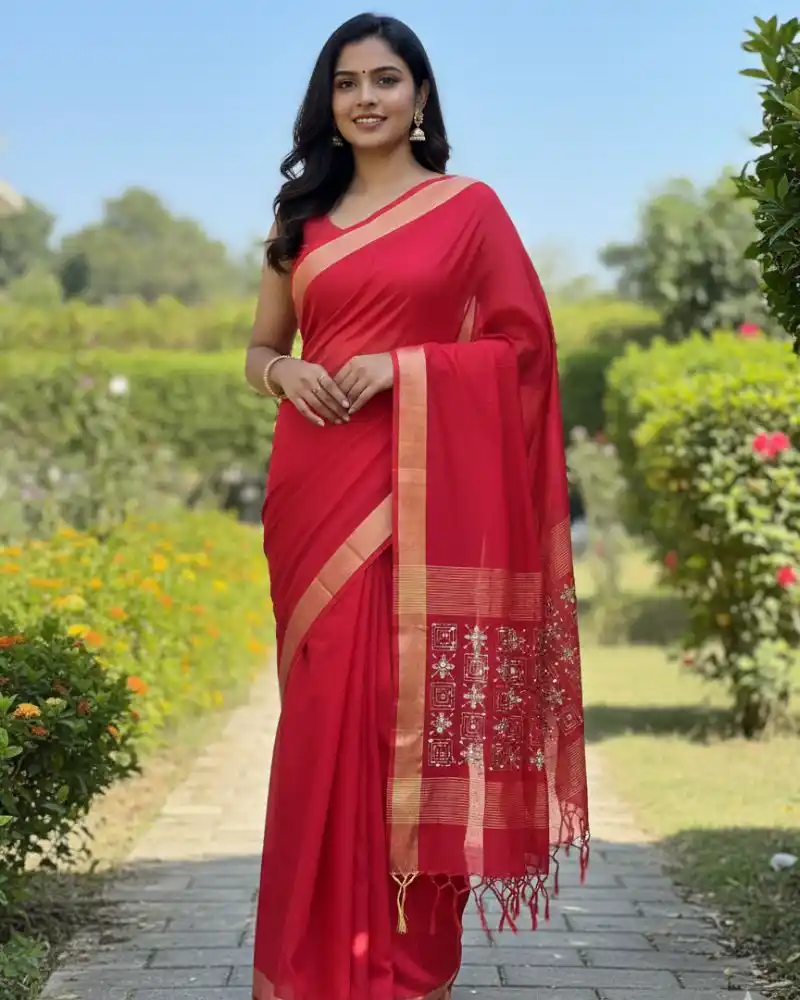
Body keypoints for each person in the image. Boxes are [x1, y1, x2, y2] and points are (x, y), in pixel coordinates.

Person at [244, 13, 590, 1000]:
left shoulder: (468, 209)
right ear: (327, 102)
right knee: (322, 722)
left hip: (425, 502)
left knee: (412, 717)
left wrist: (404, 368)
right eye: (346, 82)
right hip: (316, 490)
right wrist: (283, 375)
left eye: (386, 79)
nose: (366, 98)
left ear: (420, 96)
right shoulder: (299, 220)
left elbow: (523, 351)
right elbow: (261, 347)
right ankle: (305, 970)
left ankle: (405, 970)